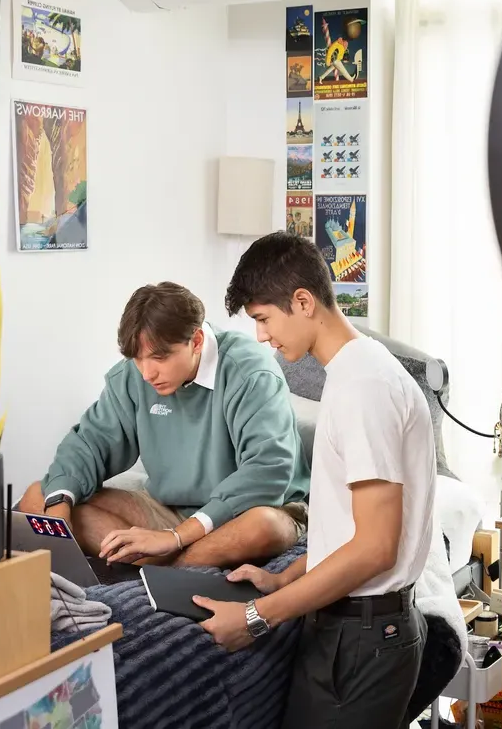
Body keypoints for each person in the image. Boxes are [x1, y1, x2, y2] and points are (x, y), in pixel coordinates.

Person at [198, 232, 435, 729]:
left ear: (303, 302)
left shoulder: (364, 388)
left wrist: (258, 615)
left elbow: (375, 548)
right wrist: (284, 578)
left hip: (363, 638)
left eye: (264, 319)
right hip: (352, 629)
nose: (261, 336)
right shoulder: (355, 374)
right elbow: (348, 528)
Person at [17, 282, 310, 569]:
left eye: (159, 357)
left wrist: (176, 538)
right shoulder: (134, 376)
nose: (147, 373)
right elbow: (90, 443)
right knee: (40, 496)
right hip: (167, 510)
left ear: (195, 341)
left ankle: (162, 567)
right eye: (137, 359)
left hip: (248, 511)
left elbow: (267, 472)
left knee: (264, 527)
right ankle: (167, 565)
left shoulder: (251, 372)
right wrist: (59, 516)